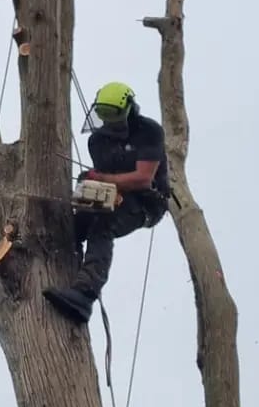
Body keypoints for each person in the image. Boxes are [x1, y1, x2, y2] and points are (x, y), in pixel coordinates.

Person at [44, 81, 170, 324]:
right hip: (116, 195)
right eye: (106, 118)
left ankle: (84, 295)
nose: (112, 125)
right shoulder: (97, 141)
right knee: (76, 223)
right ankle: (61, 256)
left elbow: (143, 179)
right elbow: (103, 177)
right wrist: (90, 182)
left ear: (129, 110)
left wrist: (101, 178)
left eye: (116, 118)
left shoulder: (149, 132)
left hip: (147, 203)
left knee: (103, 225)